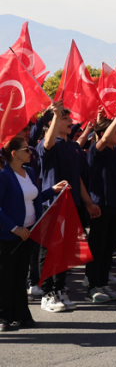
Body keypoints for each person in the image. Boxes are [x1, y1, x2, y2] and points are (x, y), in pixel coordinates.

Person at [35, 103, 100, 312]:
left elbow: (77, 177)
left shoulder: (73, 147)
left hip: (73, 204)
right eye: (65, 119)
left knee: (65, 250)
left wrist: (88, 202)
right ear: (51, 123)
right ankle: (47, 293)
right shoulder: (45, 143)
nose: (70, 121)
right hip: (52, 205)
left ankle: (60, 288)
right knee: (50, 250)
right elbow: (49, 143)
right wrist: (55, 114)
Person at [0, 137, 67, 330]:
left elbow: (34, 196)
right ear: (14, 154)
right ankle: (3, 317)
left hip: (29, 232)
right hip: (9, 235)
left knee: (20, 276)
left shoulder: (29, 171)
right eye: (26, 150)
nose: (31, 152)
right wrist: (14, 228)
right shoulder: (4, 175)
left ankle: (22, 314)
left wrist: (52, 190)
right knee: (5, 276)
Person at [85, 105, 116, 303]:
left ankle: (103, 283)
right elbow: (102, 139)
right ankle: (93, 286)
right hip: (100, 206)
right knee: (97, 247)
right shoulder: (96, 150)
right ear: (105, 132)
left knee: (109, 248)